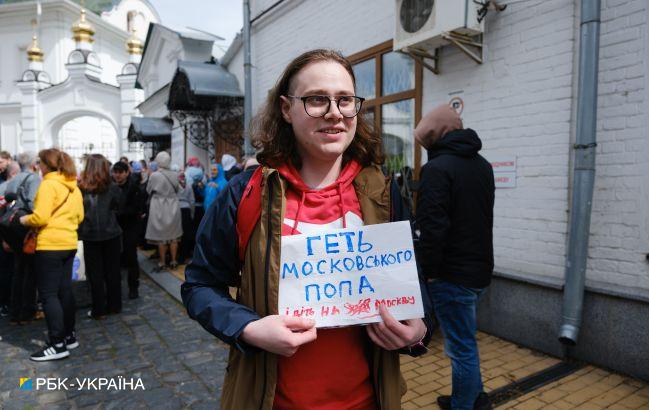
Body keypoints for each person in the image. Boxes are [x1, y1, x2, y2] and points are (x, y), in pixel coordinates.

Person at [182, 49, 434, 409]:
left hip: (369, 401)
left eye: (345, 100)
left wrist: (420, 330)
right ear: (286, 109)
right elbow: (199, 285)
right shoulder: (246, 192)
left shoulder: (382, 193)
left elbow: (415, 279)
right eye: (317, 99)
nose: (334, 113)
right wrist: (249, 329)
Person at [414, 104, 495, 410]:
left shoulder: (437, 169)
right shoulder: (483, 165)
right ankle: (474, 396)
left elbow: (432, 227)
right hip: (479, 270)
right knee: (466, 343)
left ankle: (464, 405)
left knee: (460, 348)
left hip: (451, 274)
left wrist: (430, 271)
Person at [20, 148, 84, 361]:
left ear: (47, 164)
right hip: (69, 242)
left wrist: (23, 220)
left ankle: (57, 344)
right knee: (65, 291)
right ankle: (69, 335)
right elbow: (80, 216)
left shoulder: (48, 184)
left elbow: (40, 217)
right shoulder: (73, 186)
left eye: (40, 162)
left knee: (48, 295)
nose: (38, 166)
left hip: (49, 245)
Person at [78, 154, 123, 319]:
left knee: (95, 273)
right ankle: (114, 305)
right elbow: (118, 206)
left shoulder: (81, 188)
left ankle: (99, 308)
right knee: (113, 271)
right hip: (111, 232)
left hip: (90, 233)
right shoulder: (112, 187)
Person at [5, 153, 40, 325]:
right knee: (30, 270)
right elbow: (33, 204)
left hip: (12, 227)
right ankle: (28, 311)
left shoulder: (13, 179)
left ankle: (15, 311)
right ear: (34, 165)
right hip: (25, 226)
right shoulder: (33, 179)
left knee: (19, 270)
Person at [145, 151, 182, 271]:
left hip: (159, 206)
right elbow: (178, 189)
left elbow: (148, 190)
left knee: (161, 236)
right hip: (173, 205)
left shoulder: (154, 175)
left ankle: (162, 261)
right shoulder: (175, 174)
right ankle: (174, 260)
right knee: (174, 235)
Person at [112, 161, 143, 299]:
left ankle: (133, 287)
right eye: (115, 172)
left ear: (126, 173)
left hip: (130, 226)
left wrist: (119, 212)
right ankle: (116, 287)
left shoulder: (133, 187)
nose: (117, 175)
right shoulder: (111, 187)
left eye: (120, 172)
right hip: (114, 227)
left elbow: (137, 208)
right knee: (116, 258)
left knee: (131, 257)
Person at [0, 161, 19, 317]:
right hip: (6, 237)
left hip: (11, 237)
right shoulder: (6, 189)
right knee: (7, 271)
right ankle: (6, 302)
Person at [177, 172, 195, 264]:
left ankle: (177, 256)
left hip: (176, 210)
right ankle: (184, 256)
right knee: (186, 234)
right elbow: (192, 201)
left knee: (177, 234)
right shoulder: (188, 186)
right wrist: (192, 214)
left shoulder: (175, 186)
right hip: (186, 210)